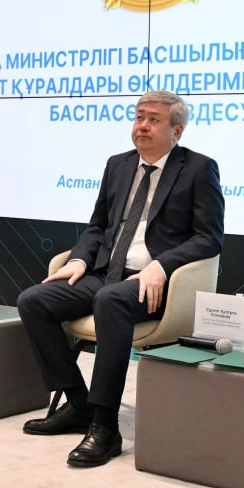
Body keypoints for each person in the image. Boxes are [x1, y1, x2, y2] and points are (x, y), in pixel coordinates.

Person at [16, 90, 224, 467]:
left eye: (154, 120)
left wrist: (162, 265)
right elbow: (98, 226)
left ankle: (105, 425)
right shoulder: (118, 164)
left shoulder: (198, 168)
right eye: (139, 116)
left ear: (177, 131)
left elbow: (209, 238)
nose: (142, 125)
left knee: (110, 300)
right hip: (105, 273)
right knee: (34, 301)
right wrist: (79, 258)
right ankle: (78, 404)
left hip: (155, 284)